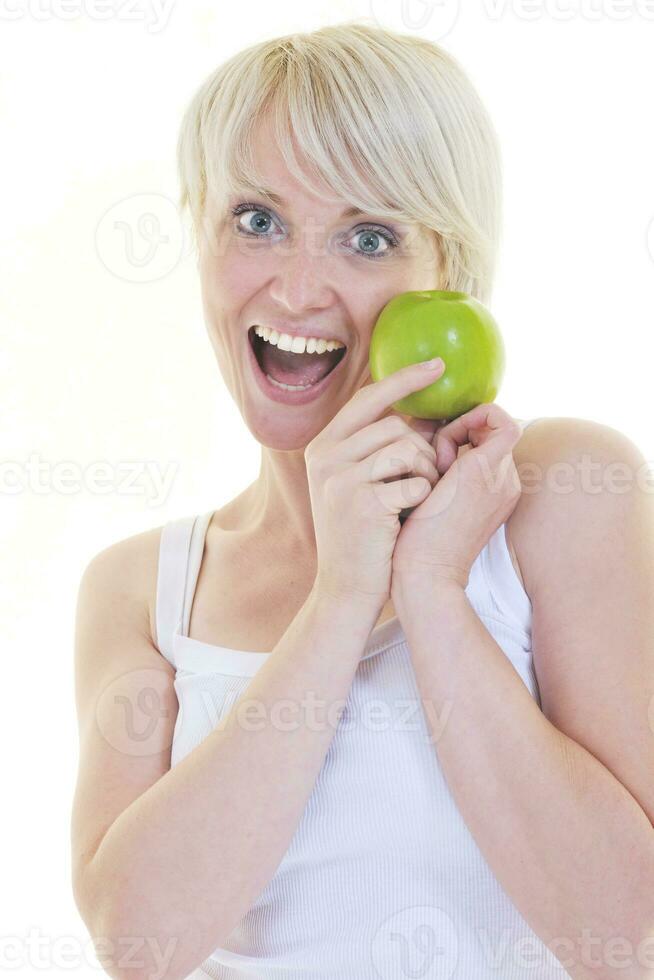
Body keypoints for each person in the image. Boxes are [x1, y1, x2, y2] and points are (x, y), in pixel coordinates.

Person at [70, 21, 653, 980]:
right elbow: (139, 945)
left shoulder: (561, 495)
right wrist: (342, 597)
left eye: (368, 237)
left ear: (449, 283)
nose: (298, 290)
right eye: (256, 219)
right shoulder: (143, 587)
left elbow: (629, 939)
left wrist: (431, 588)